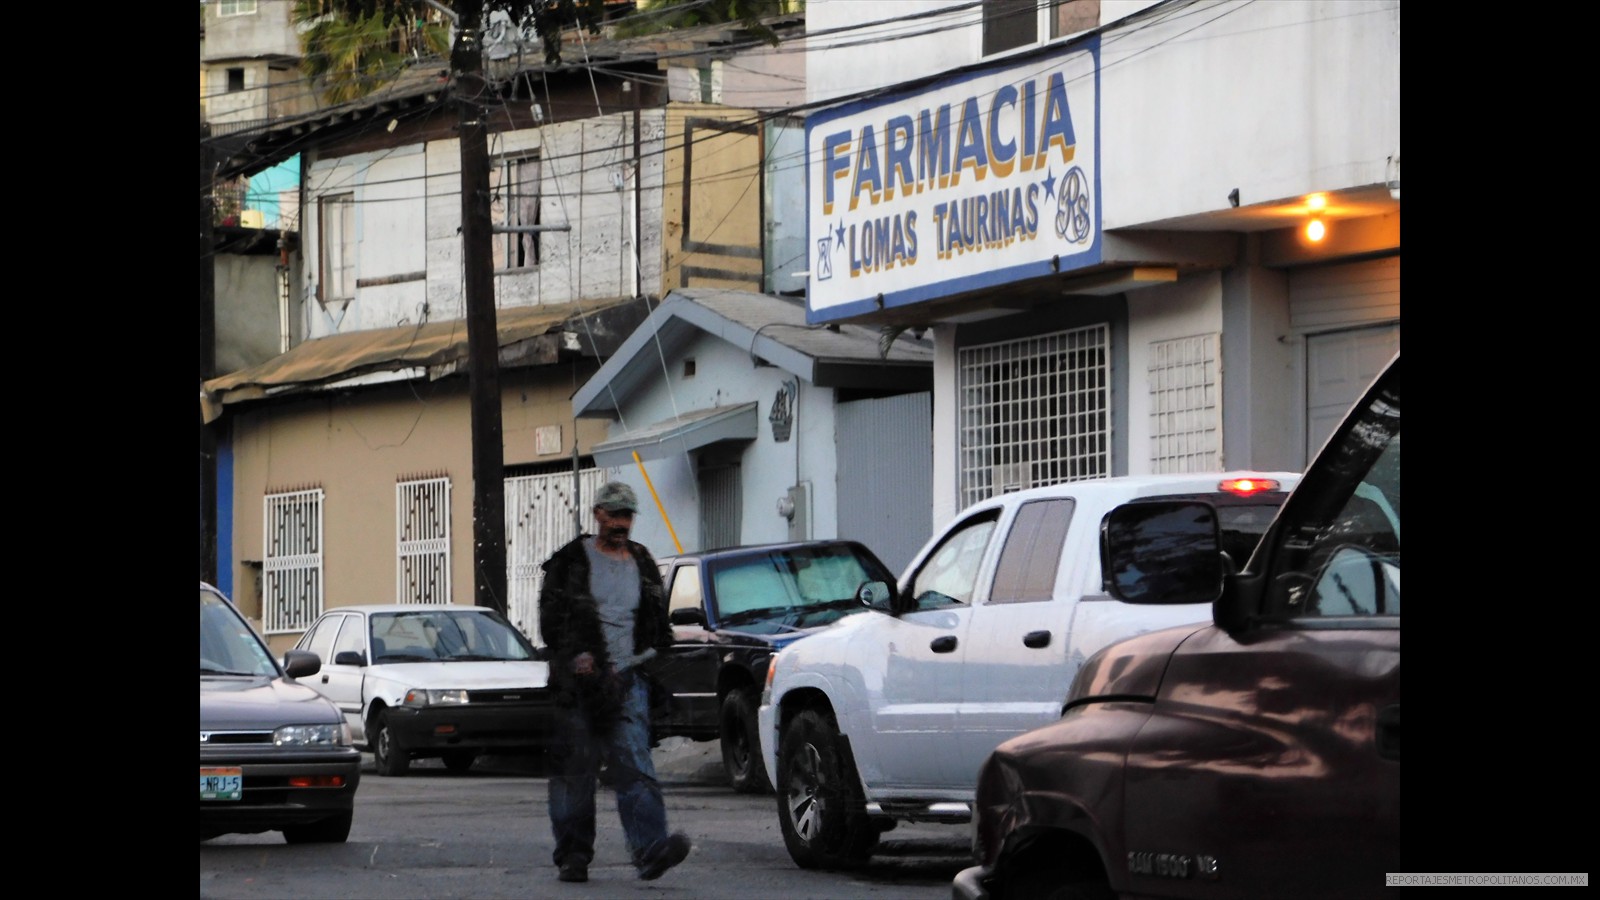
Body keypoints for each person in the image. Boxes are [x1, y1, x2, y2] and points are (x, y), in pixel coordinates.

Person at [538, 481, 692, 883]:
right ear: (598, 514)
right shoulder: (570, 561)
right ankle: (573, 856)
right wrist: (577, 656)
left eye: (627, 516)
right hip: (578, 685)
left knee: (636, 763)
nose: (621, 524)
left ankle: (651, 850)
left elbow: (657, 621)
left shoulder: (642, 560)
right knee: (575, 770)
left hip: (627, 679)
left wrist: (653, 656)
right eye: (614, 515)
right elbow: (550, 622)